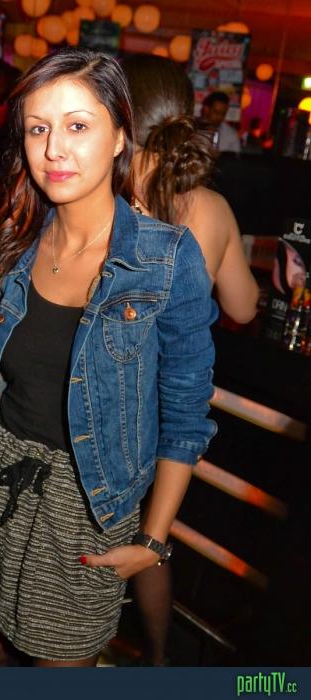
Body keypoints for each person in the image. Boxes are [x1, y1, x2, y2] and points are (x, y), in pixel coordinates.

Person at [0, 47, 217, 667]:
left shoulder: (165, 259)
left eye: (77, 126)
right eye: (39, 129)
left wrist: (153, 539)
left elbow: (187, 411)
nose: (54, 149)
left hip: (89, 496)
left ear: (119, 137)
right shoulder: (10, 245)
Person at [124, 53, 259, 665]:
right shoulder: (210, 208)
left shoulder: (99, 197)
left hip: (108, 397)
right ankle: (156, 661)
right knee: (151, 540)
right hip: (168, 412)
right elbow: (244, 308)